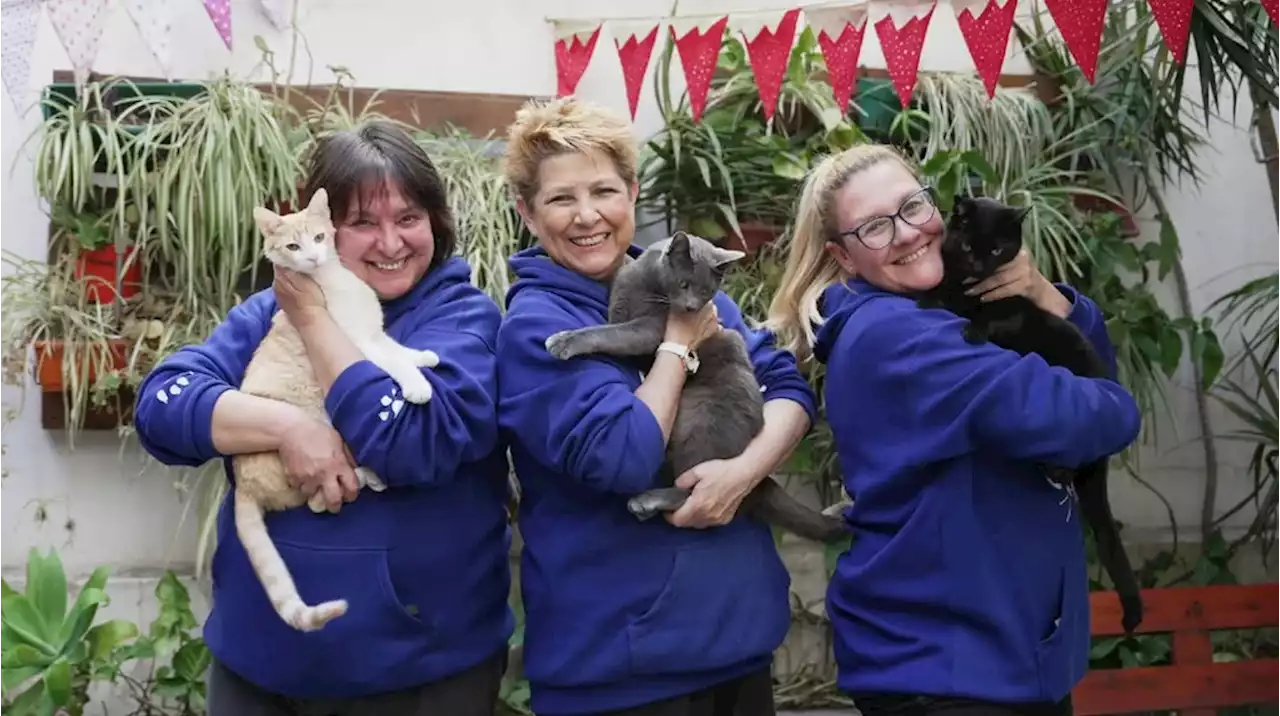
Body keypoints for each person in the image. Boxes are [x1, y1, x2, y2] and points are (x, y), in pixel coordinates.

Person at [133, 120, 513, 715]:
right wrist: (290, 428)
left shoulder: (463, 319)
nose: (390, 243)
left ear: (436, 220)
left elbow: (409, 440)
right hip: (259, 661)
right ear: (328, 228)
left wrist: (313, 323)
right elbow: (163, 403)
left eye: (409, 218)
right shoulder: (273, 308)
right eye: (364, 222)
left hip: (419, 671)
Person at [765, 143, 1142, 716]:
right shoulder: (902, 338)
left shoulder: (938, 313)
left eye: (913, 207)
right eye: (874, 227)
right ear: (843, 257)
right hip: (951, 669)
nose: (907, 233)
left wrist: (1046, 299)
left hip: (993, 653)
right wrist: (1110, 398)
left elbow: (1082, 373)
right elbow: (1093, 417)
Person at [495, 96, 818, 716]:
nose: (587, 215)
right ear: (527, 213)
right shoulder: (537, 324)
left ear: (633, 193)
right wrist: (676, 344)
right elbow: (623, 454)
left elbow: (786, 386)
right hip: (624, 667)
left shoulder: (680, 277)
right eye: (561, 198)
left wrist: (741, 475)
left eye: (604, 191)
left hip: (738, 641)